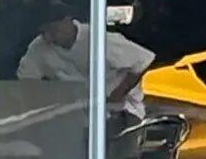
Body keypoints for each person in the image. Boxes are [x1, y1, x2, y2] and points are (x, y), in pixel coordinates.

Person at [17, 14, 156, 120]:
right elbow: (27, 80)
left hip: (120, 111)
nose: (48, 37)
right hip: (73, 114)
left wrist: (118, 93)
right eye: (44, 32)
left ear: (67, 21)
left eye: (53, 30)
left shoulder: (100, 40)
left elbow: (144, 59)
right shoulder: (39, 47)